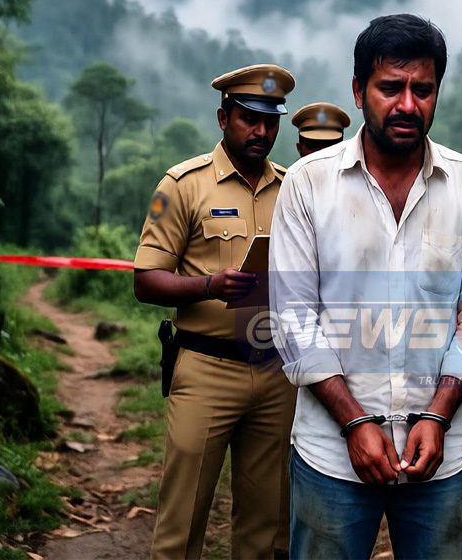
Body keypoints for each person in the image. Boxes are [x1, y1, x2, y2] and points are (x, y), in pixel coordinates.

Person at [269, 13, 462, 560]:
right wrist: (353, 421)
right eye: (390, 88)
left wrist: (438, 414)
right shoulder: (308, 184)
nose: (407, 105)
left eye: (423, 89)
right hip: (331, 454)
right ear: (358, 91)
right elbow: (295, 318)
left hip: (439, 456)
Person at [134, 64, 297, 559]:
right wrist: (210, 284)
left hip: (274, 372)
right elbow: (146, 279)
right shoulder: (183, 184)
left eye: (270, 122)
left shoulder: (294, 189)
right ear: (223, 118)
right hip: (206, 367)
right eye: (250, 119)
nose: (261, 131)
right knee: (182, 519)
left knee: (265, 524)